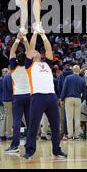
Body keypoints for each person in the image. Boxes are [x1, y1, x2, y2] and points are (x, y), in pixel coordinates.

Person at [24, 31, 67, 159]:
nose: (36, 52)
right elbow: (30, 48)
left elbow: (48, 49)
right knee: (33, 125)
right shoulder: (29, 65)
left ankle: (56, 150)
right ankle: (29, 151)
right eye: (34, 52)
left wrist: (43, 35)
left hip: (51, 97)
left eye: (38, 51)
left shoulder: (46, 64)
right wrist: (35, 34)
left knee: (55, 126)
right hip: (37, 97)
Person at [5, 32, 31, 153]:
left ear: (16, 60)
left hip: (18, 97)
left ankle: (15, 145)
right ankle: (30, 143)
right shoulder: (29, 67)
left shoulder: (14, 68)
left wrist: (17, 39)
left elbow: (11, 52)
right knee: (30, 121)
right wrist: (25, 39)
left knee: (16, 121)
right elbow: (29, 50)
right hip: (29, 96)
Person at [60, 65, 87, 140]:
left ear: (73, 71)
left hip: (69, 99)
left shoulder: (68, 78)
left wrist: (62, 99)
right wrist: (82, 99)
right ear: (79, 71)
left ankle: (70, 135)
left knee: (69, 118)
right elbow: (85, 92)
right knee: (77, 118)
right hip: (78, 99)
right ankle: (77, 135)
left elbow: (64, 89)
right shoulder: (82, 79)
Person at [0, 68, 13, 140]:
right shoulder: (1, 80)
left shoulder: (5, 78)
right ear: (2, 72)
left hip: (4, 100)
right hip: (2, 101)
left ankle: (4, 134)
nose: (6, 72)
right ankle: (2, 134)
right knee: (3, 117)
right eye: (4, 71)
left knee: (5, 117)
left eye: (7, 71)